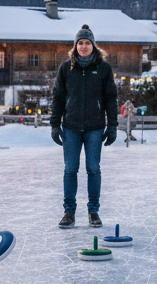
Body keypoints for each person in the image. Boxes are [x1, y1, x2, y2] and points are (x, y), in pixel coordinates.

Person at [50, 25, 118, 228]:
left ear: (93, 45)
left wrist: (112, 125)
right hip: (70, 126)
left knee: (93, 169)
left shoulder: (103, 69)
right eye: (80, 43)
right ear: (75, 46)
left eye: (87, 43)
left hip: (94, 127)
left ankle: (93, 212)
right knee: (70, 169)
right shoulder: (66, 68)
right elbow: (58, 98)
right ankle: (69, 212)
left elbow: (111, 98)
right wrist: (55, 124)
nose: (84, 46)